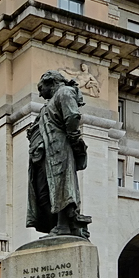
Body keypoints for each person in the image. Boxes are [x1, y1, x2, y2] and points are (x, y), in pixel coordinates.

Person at [26, 70, 91, 239]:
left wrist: (73, 137)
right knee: (43, 193)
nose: (40, 94)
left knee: (61, 186)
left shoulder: (64, 92)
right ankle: (55, 224)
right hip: (43, 154)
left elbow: (72, 116)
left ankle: (62, 225)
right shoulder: (47, 105)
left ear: (50, 82)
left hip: (58, 149)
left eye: (41, 88)